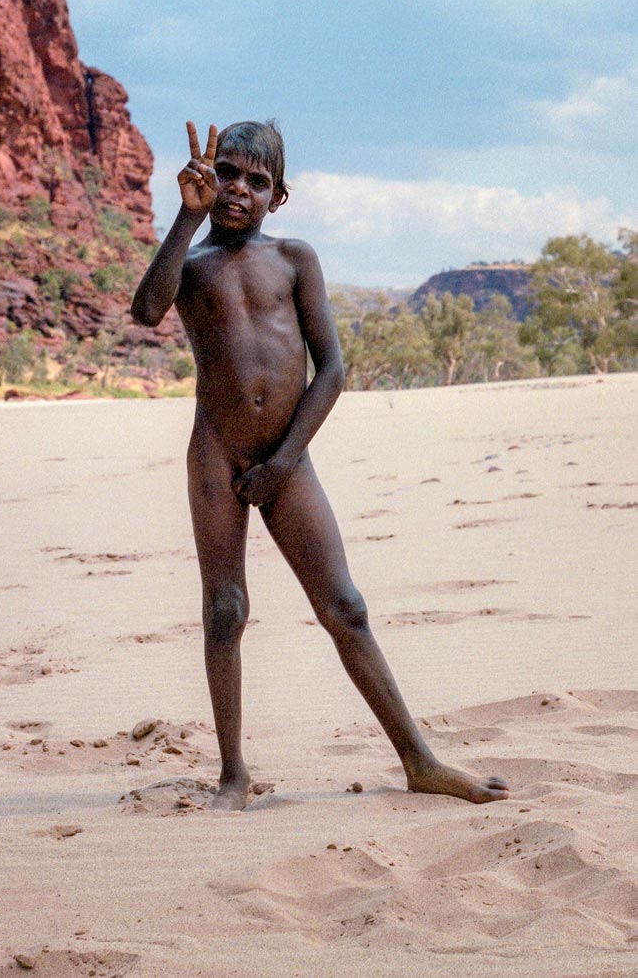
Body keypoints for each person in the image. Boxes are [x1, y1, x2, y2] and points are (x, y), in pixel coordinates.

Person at [131, 120, 509, 811]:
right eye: (228, 174)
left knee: (346, 607)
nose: (239, 190)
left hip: (288, 456)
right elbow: (146, 309)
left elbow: (332, 368)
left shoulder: (295, 258)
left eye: (257, 180)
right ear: (207, 178)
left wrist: (283, 461)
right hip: (216, 453)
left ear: (279, 197)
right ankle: (233, 774)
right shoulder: (190, 267)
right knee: (224, 610)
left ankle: (420, 759)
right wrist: (185, 219)